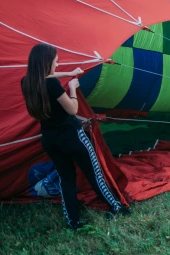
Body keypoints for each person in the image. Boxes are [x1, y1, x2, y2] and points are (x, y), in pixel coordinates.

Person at [21, 43, 129, 230]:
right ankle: (116, 207)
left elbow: (48, 78)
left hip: (50, 140)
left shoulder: (27, 82)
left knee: (66, 179)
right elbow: (72, 109)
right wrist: (72, 88)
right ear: (46, 62)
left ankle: (73, 221)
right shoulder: (52, 84)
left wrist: (70, 73)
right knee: (94, 174)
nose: (57, 65)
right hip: (72, 137)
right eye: (55, 62)